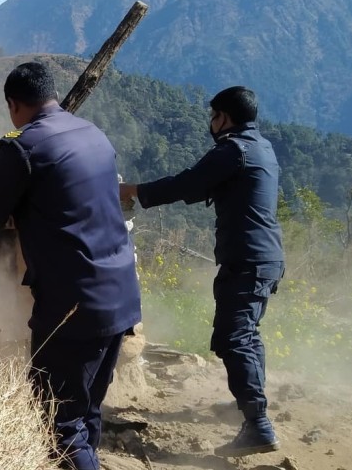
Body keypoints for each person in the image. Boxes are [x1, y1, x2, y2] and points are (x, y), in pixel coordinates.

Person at [0, 62, 141, 470]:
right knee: (87, 411)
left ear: (14, 105)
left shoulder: (22, 146)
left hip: (73, 308)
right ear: (53, 96)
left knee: (59, 423)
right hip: (121, 297)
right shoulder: (92, 133)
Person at [120, 86, 285, 457]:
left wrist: (131, 190)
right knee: (248, 334)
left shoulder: (233, 150)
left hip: (246, 259)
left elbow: (188, 183)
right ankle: (249, 406)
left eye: (213, 116)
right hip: (266, 257)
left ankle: (257, 425)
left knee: (234, 338)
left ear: (223, 117)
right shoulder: (262, 146)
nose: (211, 123)